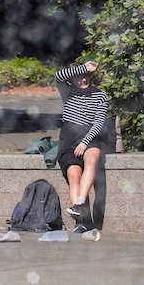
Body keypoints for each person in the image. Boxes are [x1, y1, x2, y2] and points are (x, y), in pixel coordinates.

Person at [55, 60, 111, 238]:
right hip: (69, 140)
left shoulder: (100, 96)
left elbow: (98, 123)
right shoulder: (68, 92)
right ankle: (81, 221)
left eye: (86, 75)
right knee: (73, 175)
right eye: (78, 77)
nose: (83, 79)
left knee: (92, 159)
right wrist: (84, 67)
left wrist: (85, 142)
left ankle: (79, 203)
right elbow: (58, 76)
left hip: (91, 138)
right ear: (72, 80)